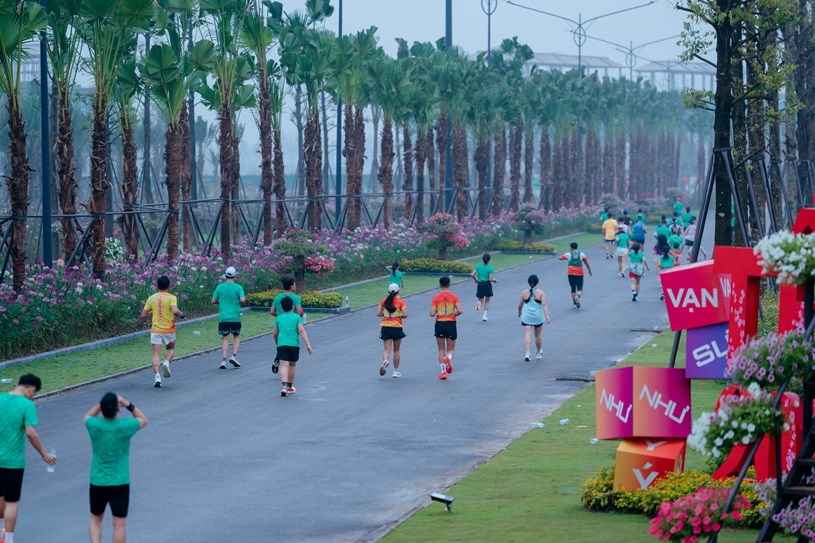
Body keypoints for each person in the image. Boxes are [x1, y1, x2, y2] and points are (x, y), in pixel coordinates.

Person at [84, 392, 148, 543]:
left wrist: (102, 404)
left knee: (95, 518)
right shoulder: (124, 426)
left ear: (103, 408)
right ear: (117, 409)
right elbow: (143, 420)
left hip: (98, 481)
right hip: (120, 481)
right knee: (119, 524)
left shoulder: (94, 425)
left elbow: (87, 416)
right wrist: (128, 404)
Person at [0, 375, 56, 543]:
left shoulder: (1, 398)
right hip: (13, 461)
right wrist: (44, 454)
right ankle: (8, 539)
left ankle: (1, 535)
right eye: (34, 393)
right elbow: (30, 432)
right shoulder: (27, 405)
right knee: (11, 502)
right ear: (32, 389)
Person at [139, 276, 185, 388]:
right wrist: (181, 314)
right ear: (169, 285)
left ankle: (157, 377)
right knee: (170, 348)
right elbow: (174, 310)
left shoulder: (151, 298)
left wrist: (153, 312)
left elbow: (143, 315)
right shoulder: (171, 297)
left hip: (156, 330)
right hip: (169, 329)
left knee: (155, 354)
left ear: (157, 285)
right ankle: (166, 362)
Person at [274, 296, 312, 396]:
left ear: (282, 307)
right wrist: (308, 344)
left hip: (282, 344)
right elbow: (301, 331)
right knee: (292, 365)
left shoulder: (279, 318)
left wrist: (277, 342)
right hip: (294, 345)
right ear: (292, 306)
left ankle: (283, 387)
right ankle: (290, 386)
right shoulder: (297, 317)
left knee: (283, 365)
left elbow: (275, 333)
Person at [211, 266, 246, 370]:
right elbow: (243, 300)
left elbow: (213, 300)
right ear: (234, 276)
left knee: (225, 338)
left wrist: (220, 301)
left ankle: (223, 360)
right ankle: (234, 356)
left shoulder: (220, 287)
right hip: (235, 316)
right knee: (236, 336)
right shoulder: (238, 287)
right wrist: (237, 301)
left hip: (223, 317)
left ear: (225, 275)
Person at [430, 276, 463, 380]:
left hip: (439, 323)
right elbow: (460, 310)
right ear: (449, 284)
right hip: (450, 323)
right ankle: (448, 358)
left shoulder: (436, 298)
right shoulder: (454, 297)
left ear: (439, 285)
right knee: (451, 349)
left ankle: (443, 372)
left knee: (441, 349)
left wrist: (435, 312)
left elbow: (432, 313)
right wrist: (454, 314)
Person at [517, 274, 551, 361]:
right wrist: (547, 316)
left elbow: (520, 305)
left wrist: (519, 312)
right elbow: (544, 304)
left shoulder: (524, 293)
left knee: (527, 334)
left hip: (527, 316)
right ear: (537, 282)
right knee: (537, 335)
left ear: (528, 283)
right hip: (537, 316)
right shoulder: (541, 293)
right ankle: (538, 352)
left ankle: (527, 353)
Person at [377, 283, 408, 378]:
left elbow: (378, 313)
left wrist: (386, 315)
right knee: (397, 350)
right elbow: (405, 315)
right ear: (398, 291)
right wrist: (399, 315)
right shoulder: (401, 302)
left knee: (387, 349)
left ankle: (385, 360)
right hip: (397, 326)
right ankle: (395, 372)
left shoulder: (383, 301)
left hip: (386, 326)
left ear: (388, 291)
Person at [559, 242, 593, 308]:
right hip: (579, 273)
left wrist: (566, 257)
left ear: (571, 247)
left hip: (571, 272)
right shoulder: (582, 254)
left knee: (573, 287)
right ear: (577, 247)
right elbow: (586, 263)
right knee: (580, 288)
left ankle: (574, 303)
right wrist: (589, 270)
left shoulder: (568, 254)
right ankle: (577, 297)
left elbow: (560, 258)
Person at [471, 253, 497, 321]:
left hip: (480, 284)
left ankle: (478, 306)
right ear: (489, 260)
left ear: (482, 259)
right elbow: (490, 279)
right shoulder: (490, 268)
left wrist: (476, 280)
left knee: (480, 300)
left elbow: (472, 274)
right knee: (487, 300)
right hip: (487, 285)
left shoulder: (478, 267)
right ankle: (484, 316)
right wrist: (494, 280)